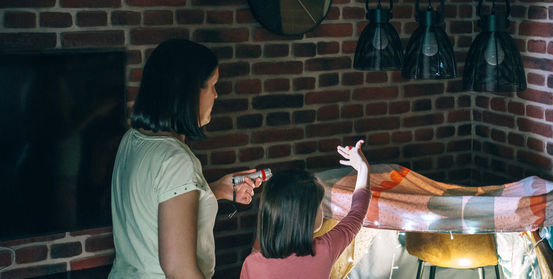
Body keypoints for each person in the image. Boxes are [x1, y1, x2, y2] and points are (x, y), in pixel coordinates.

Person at [108, 39, 262, 279]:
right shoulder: (176, 160)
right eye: (212, 85)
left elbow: (155, 204)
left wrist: (215, 190)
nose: (216, 94)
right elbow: (180, 270)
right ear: (189, 92)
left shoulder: (132, 140)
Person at [240, 140, 371, 278]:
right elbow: (356, 215)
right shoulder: (325, 250)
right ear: (306, 215)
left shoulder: (251, 264)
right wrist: (363, 168)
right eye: (320, 204)